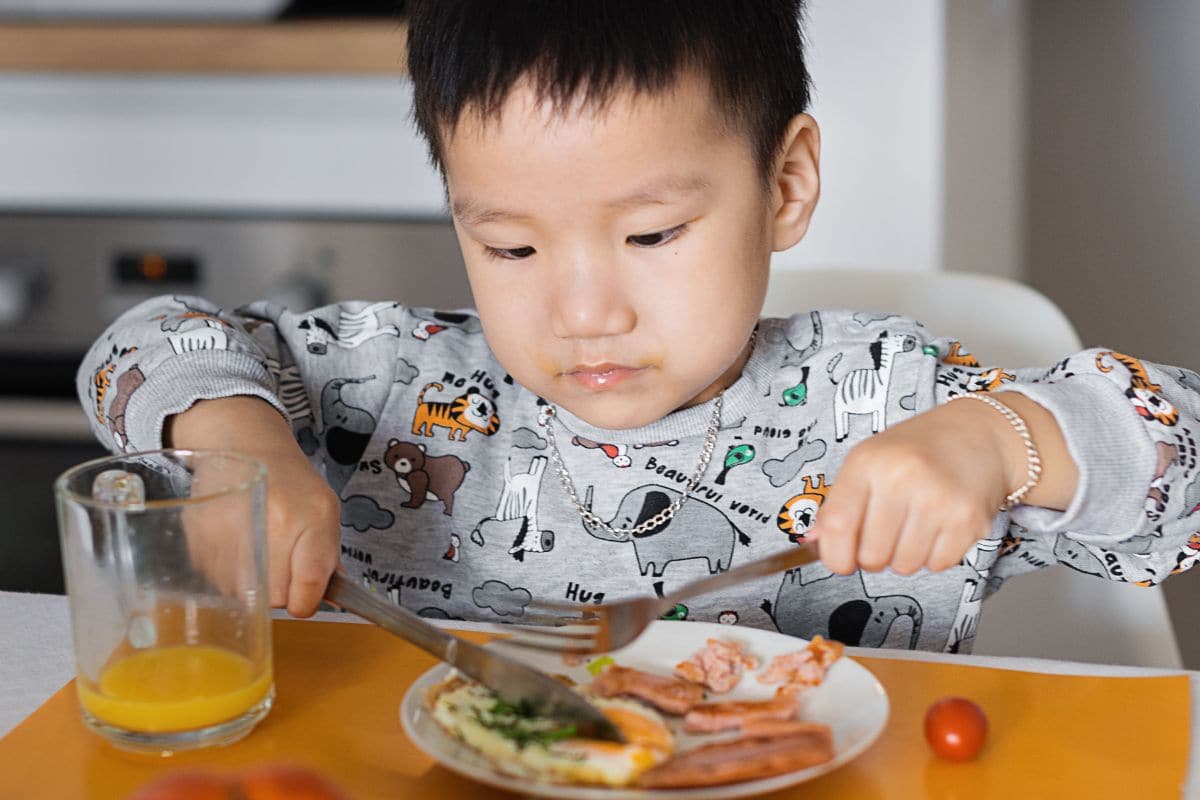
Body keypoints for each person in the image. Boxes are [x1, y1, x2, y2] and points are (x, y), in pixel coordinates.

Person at [76, 1, 1200, 654]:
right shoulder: (389, 387)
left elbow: (1181, 452)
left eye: (652, 235)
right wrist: (235, 442)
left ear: (787, 183)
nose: (583, 312)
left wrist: (1000, 442)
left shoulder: (898, 399)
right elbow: (154, 336)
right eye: (511, 246)